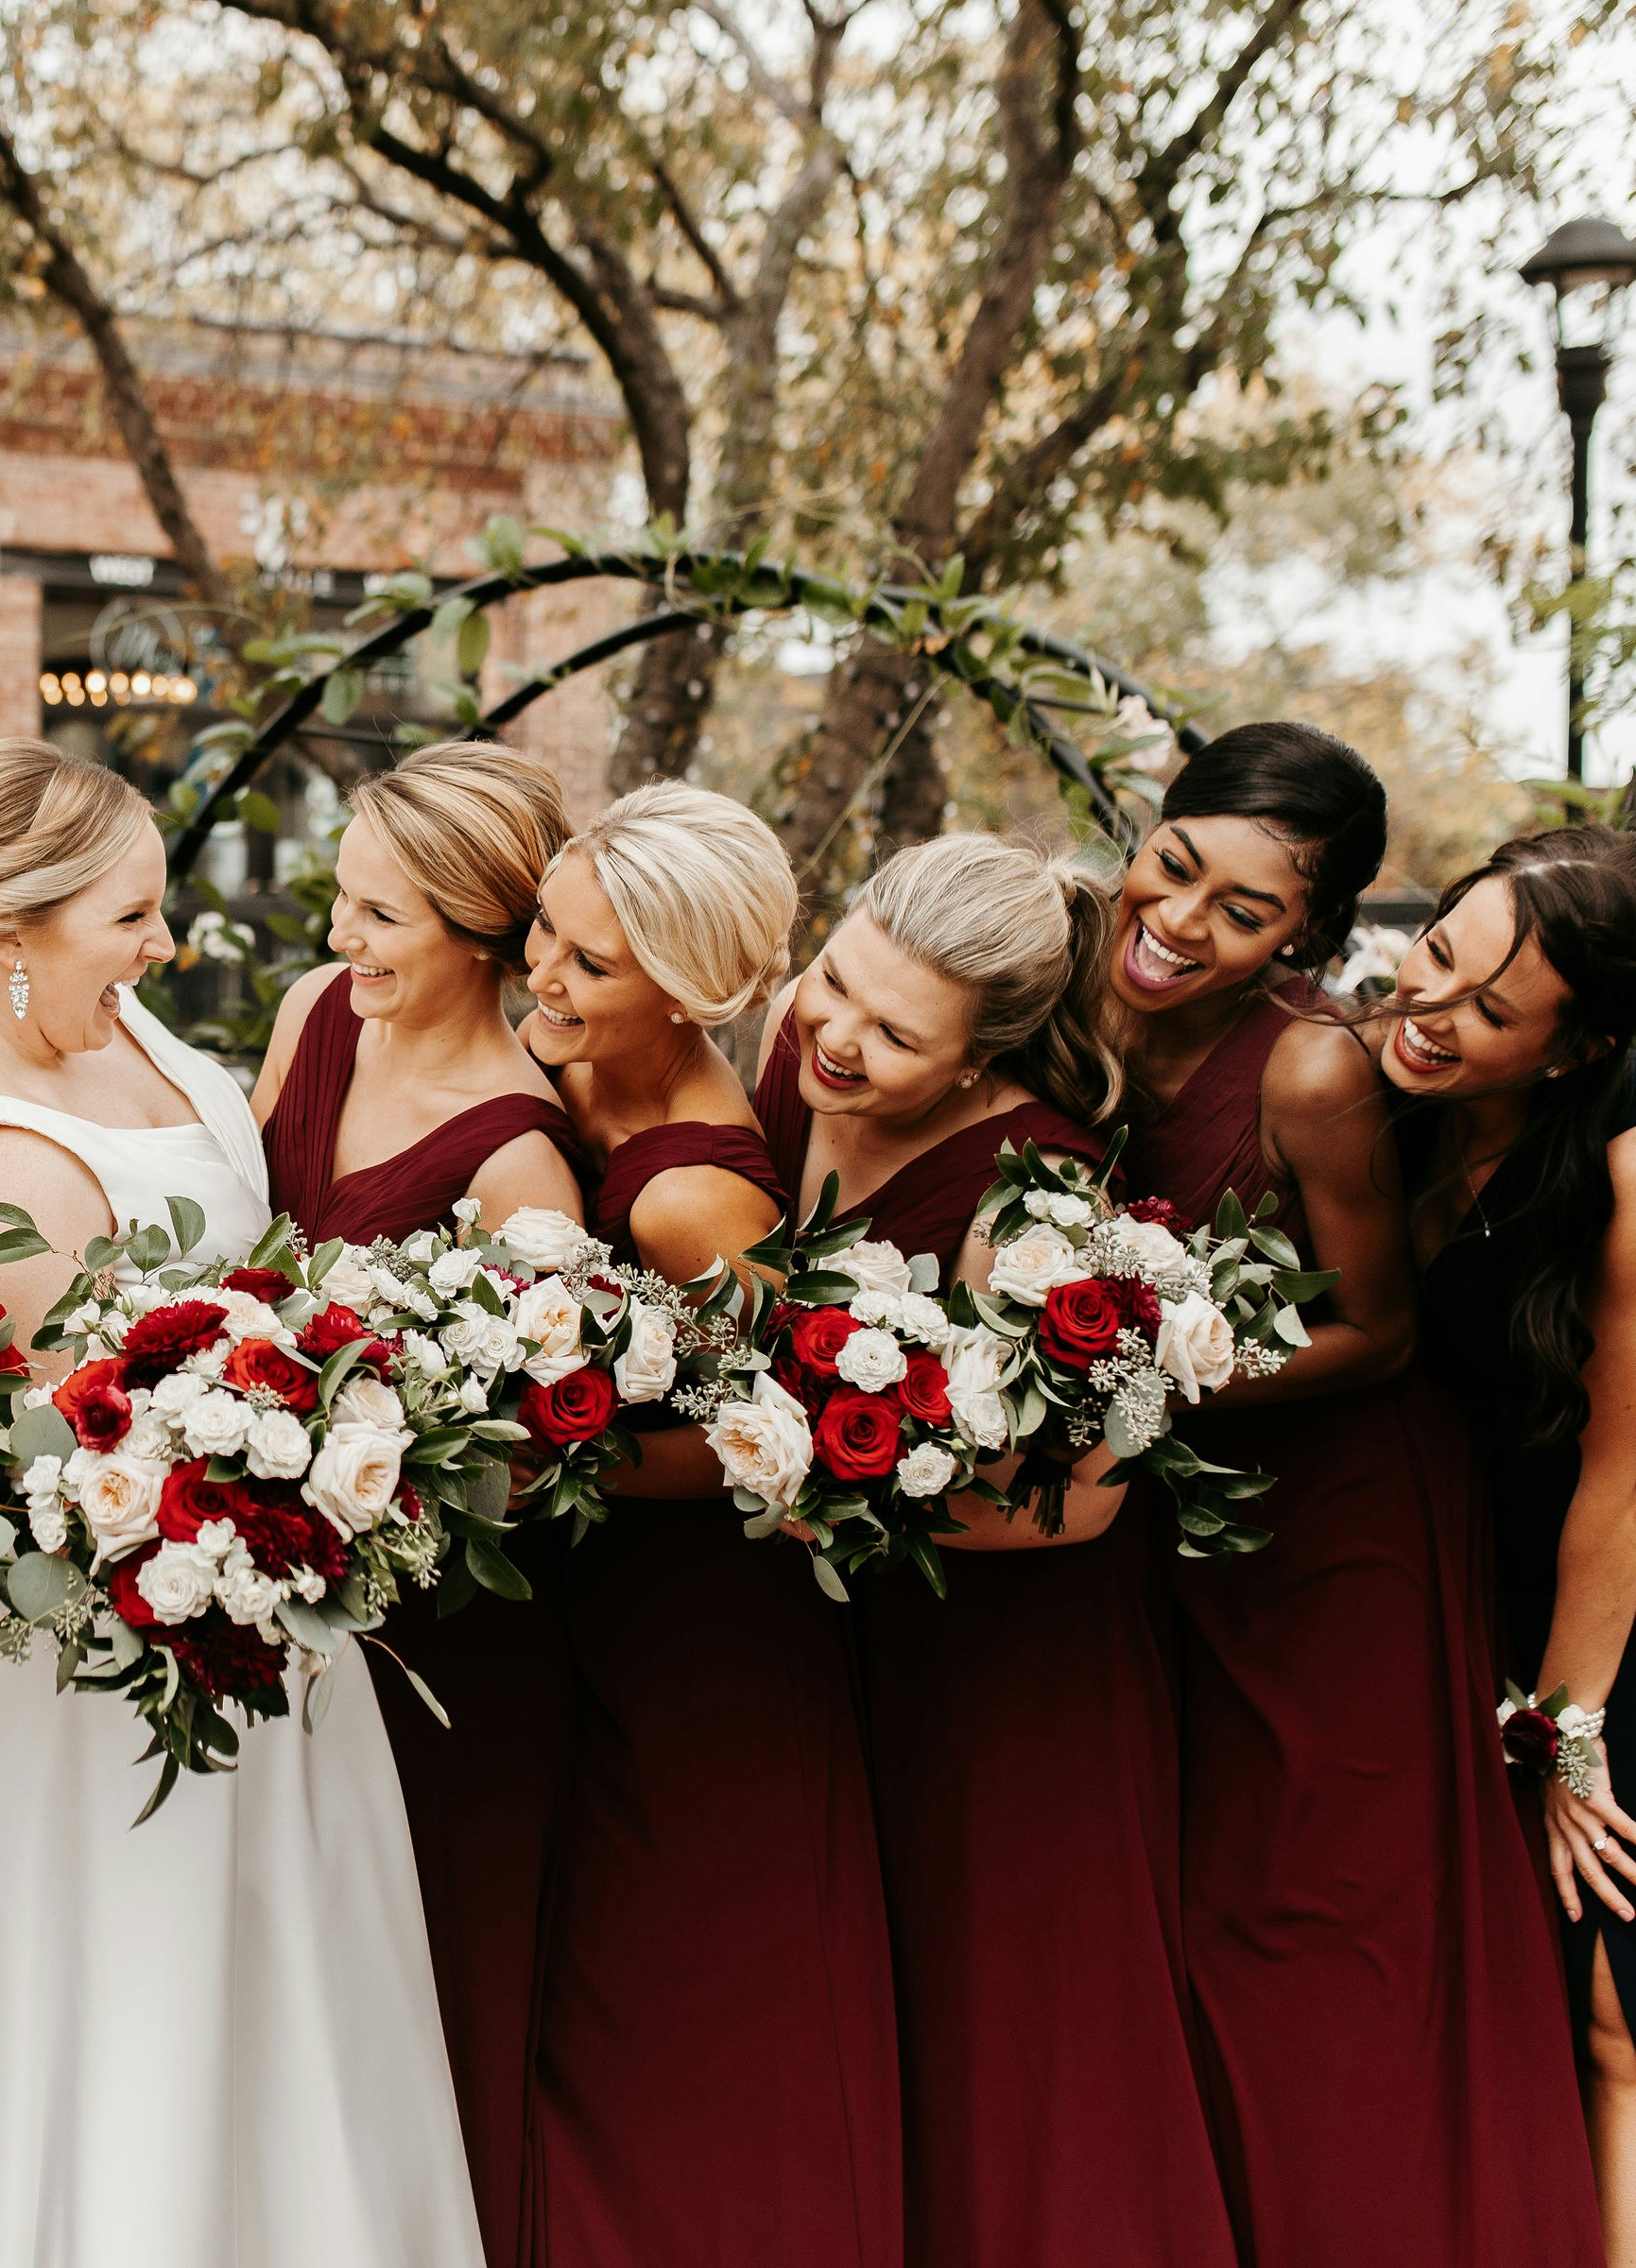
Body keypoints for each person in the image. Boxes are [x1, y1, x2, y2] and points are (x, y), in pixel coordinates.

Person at [0, 735, 483, 2268]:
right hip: (103, 1649)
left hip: (255, 1589)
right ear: (13, 930)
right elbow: (96, 1437)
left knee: (294, 1997)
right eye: (131, 918)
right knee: (135, 2002)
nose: (163, 946)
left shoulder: (110, 1018)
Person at [1110, 725, 1602, 2265]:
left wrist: (1148, 1389)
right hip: (1182, 1527)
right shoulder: (1087, 990)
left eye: (1245, 912)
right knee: (1198, 1917)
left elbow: (1378, 1329)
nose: (1183, 921)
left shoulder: (1314, 1064)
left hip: (1340, 1530)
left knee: (1323, 1924)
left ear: (1306, 943)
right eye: (1177, 863)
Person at [756, 830, 1238, 2268]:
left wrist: (798, 1498)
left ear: (981, 1061)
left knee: (1016, 2049)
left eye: (896, 1036)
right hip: (814, 1645)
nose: (836, 1035)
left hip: (1009, 1668)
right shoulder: (786, 1040)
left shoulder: (1038, 1193)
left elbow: (1077, 1499)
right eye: (836, 982)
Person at [1380, 824, 1636, 2268]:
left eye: (1490, 1012)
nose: (1432, 1010)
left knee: (1633, 1985)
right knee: (1526, 1963)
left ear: (1573, 1049)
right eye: (1438, 956)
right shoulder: (1391, 1087)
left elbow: (1627, 1477)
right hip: (1497, 1570)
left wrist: (1568, 1737)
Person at [517, 782, 904, 2267]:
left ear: (685, 995)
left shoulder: (689, 1202)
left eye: (589, 966)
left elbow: (784, 1442)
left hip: (706, 1638)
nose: (543, 973)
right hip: (592, 1612)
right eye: (547, 933)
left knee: (695, 1994)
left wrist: (534, 1456)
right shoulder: (572, 1063)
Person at [250, 738, 583, 2265]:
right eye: (341, 898)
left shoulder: (523, 1159)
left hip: (414, 1619)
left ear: (481, 930)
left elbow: (519, 1457)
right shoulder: (319, 1013)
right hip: (244, 1549)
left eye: (380, 917)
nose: (340, 940)